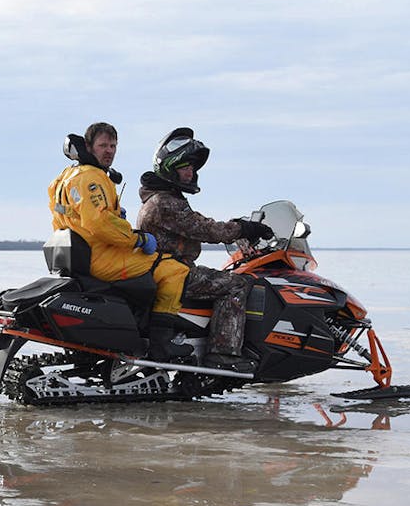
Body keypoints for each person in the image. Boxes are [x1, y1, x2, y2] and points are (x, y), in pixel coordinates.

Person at [135, 127, 274, 373]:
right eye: (185, 167)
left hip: (169, 270)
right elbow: (206, 230)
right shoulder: (164, 203)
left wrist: (238, 228)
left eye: (192, 167)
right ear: (170, 167)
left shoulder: (163, 198)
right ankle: (223, 354)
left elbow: (201, 224)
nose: (191, 172)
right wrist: (243, 228)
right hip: (174, 273)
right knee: (237, 284)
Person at [48, 122, 191, 359]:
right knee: (174, 270)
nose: (109, 151)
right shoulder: (91, 178)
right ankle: (161, 344)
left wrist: (116, 217)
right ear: (88, 146)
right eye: (103, 145)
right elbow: (99, 223)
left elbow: (78, 217)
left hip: (83, 255)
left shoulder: (65, 177)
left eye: (113, 145)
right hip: (102, 256)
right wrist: (137, 238)